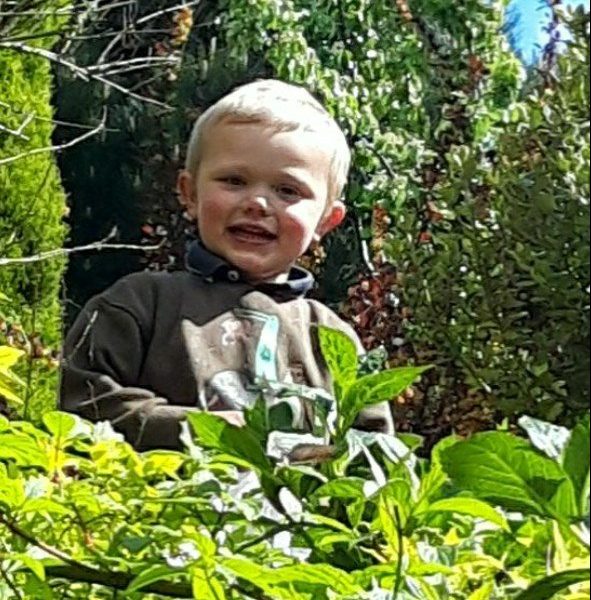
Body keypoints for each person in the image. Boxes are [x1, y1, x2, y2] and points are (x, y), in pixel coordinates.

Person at [60, 79, 393, 450]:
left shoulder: (331, 339)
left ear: (326, 221)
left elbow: (375, 453)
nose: (257, 204)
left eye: (287, 191)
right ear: (190, 194)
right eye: (234, 181)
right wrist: (202, 431)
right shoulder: (140, 304)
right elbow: (80, 405)